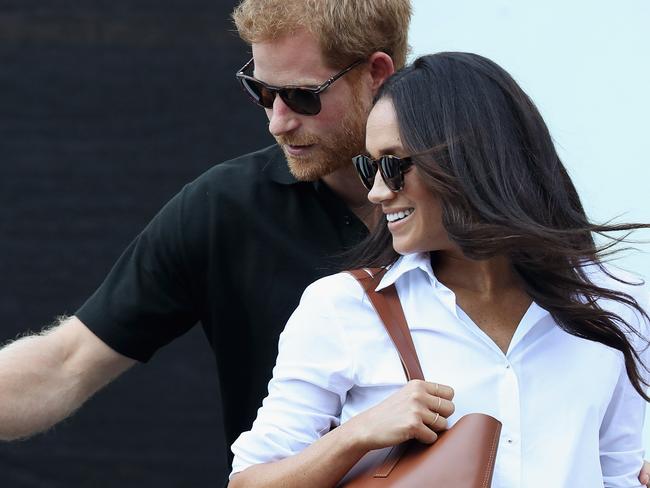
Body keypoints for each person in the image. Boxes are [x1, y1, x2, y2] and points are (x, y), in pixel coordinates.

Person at [2, 1, 650, 485]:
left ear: (376, 73)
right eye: (260, 91)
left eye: (301, 96)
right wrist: (352, 437)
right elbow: (65, 363)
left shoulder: (584, 298)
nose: (277, 120)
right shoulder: (231, 214)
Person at [228, 52, 650, 487]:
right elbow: (247, 482)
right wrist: (355, 436)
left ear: (470, 159)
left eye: (393, 165)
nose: (376, 192)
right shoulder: (342, 307)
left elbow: (617, 474)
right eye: (369, 167)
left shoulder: (614, 305)